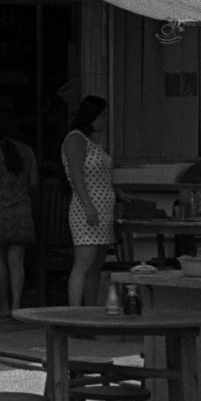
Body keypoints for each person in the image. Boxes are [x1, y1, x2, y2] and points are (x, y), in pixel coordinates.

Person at [0, 127, 38, 316]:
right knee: (17, 262)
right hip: (21, 210)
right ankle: (17, 306)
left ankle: (3, 305)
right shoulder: (28, 151)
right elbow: (34, 182)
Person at [61, 95, 115, 307]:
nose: (105, 121)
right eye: (102, 116)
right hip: (87, 206)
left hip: (104, 205)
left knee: (96, 266)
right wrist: (88, 206)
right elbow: (76, 175)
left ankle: (90, 312)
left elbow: (100, 175)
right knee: (83, 263)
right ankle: (75, 313)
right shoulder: (75, 139)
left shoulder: (95, 141)